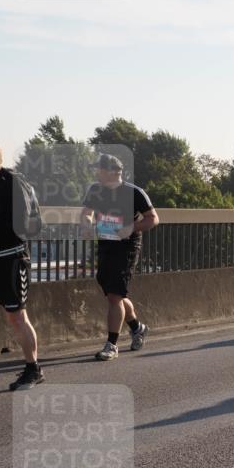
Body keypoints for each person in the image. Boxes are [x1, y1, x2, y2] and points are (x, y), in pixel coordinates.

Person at [80, 154, 158, 361]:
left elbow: (153, 219)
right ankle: (137, 327)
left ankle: (111, 345)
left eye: (99, 169)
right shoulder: (95, 190)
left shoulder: (134, 193)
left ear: (111, 172)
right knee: (116, 294)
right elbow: (87, 212)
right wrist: (87, 223)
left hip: (127, 246)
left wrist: (130, 228)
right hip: (106, 244)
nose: (96, 173)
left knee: (115, 295)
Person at [0, 138, 44, 393]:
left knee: (16, 317)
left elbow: (29, 226)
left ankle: (33, 369)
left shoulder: (14, 183)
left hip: (11, 259)